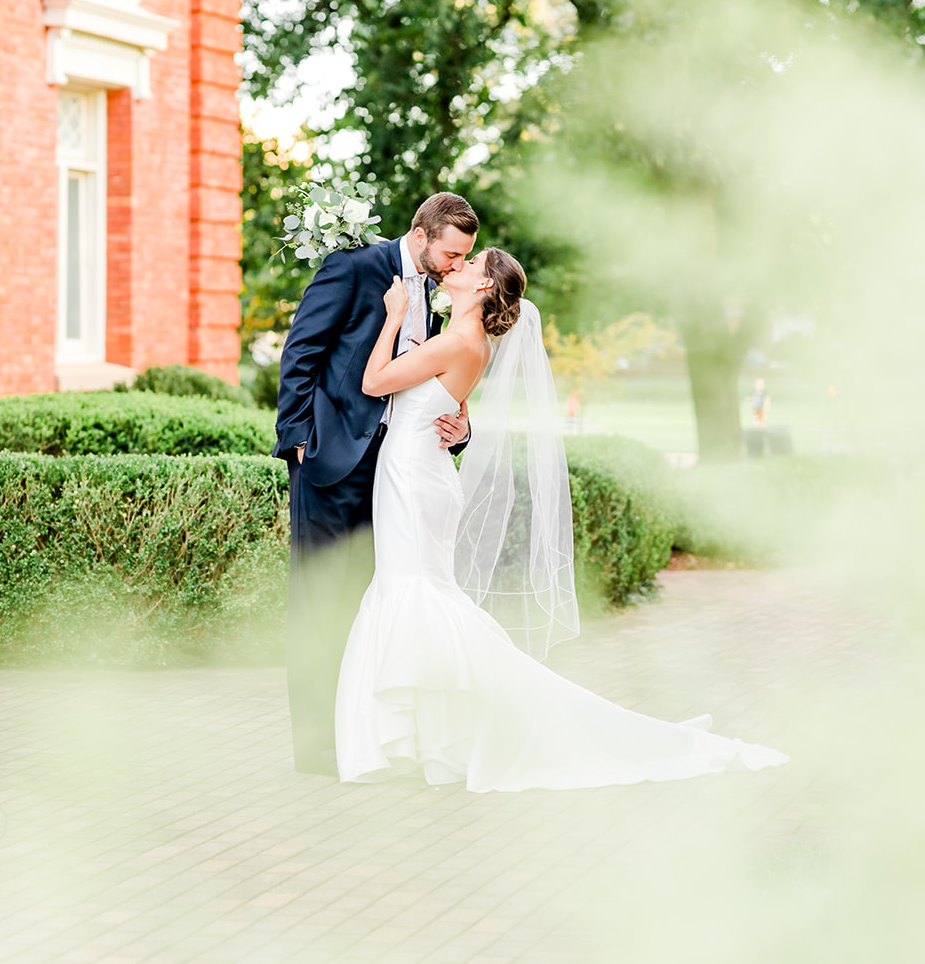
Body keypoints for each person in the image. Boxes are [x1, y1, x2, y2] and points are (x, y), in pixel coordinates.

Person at [335, 248, 788, 791]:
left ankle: (437, 731)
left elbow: (373, 382)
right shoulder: (461, 341)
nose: (456, 267)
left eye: (470, 264)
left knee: (414, 591)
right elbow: (435, 396)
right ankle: (429, 740)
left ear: (482, 289)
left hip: (413, 476)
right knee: (420, 592)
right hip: (419, 472)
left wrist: (390, 315)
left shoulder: (458, 340)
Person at [274, 193, 478, 776]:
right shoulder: (355, 267)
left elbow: (435, 379)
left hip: (394, 475)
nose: (457, 265)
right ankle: (314, 746)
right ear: (420, 234)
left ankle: (353, 731)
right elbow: (302, 351)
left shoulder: (439, 300)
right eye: (451, 252)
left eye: (464, 257)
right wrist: (297, 438)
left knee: (365, 605)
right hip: (330, 460)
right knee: (318, 601)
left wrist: (461, 426)